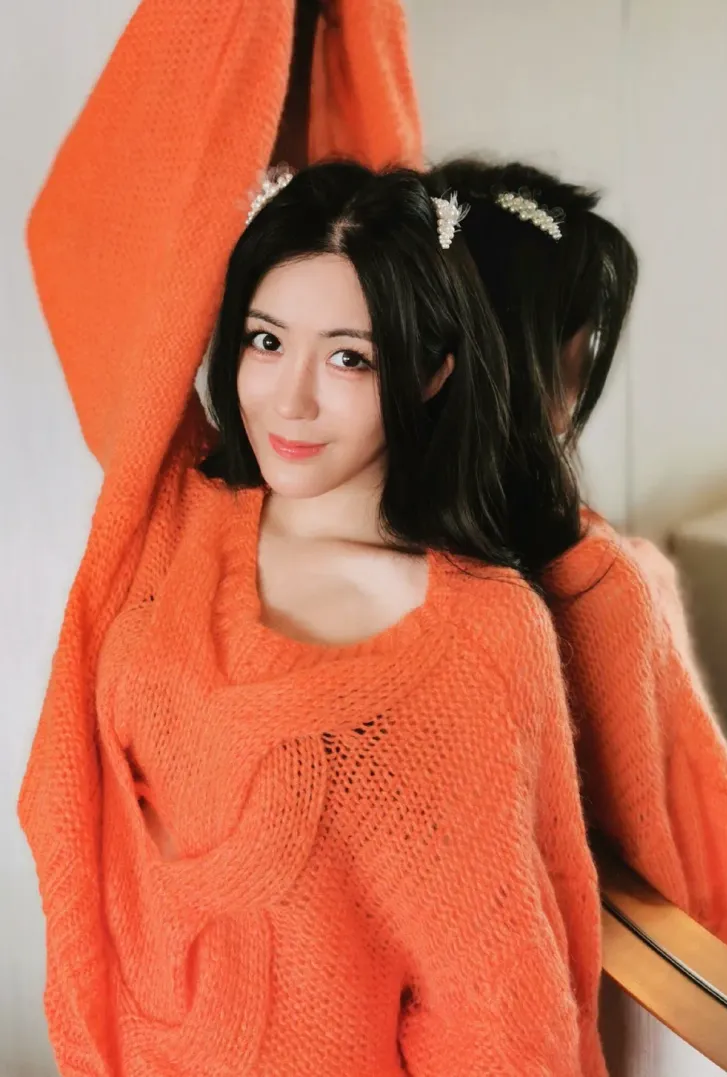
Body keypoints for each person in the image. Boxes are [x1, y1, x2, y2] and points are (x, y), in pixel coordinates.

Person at [18, 8, 608, 1076]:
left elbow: (495, 1013)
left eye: (348, 358)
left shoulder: (475, 638)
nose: (288, 401)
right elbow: (85, 226)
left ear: (429, 372)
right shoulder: (176, 508)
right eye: (265, 340)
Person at [426, 157, 727, 989]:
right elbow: (697, 855)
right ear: (538, 358)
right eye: (585, 344)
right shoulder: (601, 586)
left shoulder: (343, 558)